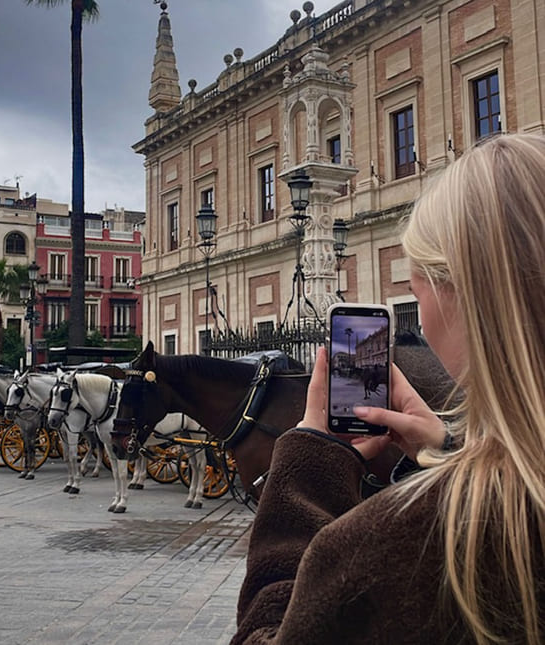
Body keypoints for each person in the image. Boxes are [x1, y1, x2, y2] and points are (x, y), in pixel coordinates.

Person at [231, 133, 544, 645]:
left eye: (417, 290)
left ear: (457, 294)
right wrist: (446, 448)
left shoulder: (398, 543)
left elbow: (268, 633)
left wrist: (307, 466)